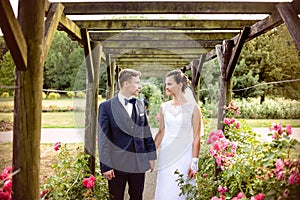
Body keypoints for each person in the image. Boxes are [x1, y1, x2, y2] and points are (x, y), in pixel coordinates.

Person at [98, 69, 157, 200]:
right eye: (136, 83)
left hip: (138, 163)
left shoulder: (140, 104)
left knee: (137, 197)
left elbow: (146, 132)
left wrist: (151, 156)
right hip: (117, 164)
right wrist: (106, 166)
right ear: (126, 84)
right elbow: (103, 139)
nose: (140, 86)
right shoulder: (106, 107)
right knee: (116, 197)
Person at [154, 69, 202, 200]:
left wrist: (194, 163)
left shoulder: (193, 107)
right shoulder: (164, 107)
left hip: (184, 155)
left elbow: (197, 136)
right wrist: (150, 154)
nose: (166, 87)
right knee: (165, 190)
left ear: (180, 85)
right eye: (166, 84)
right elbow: (161, 132)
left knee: (182, 190)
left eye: (169, 84)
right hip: (166, 154)